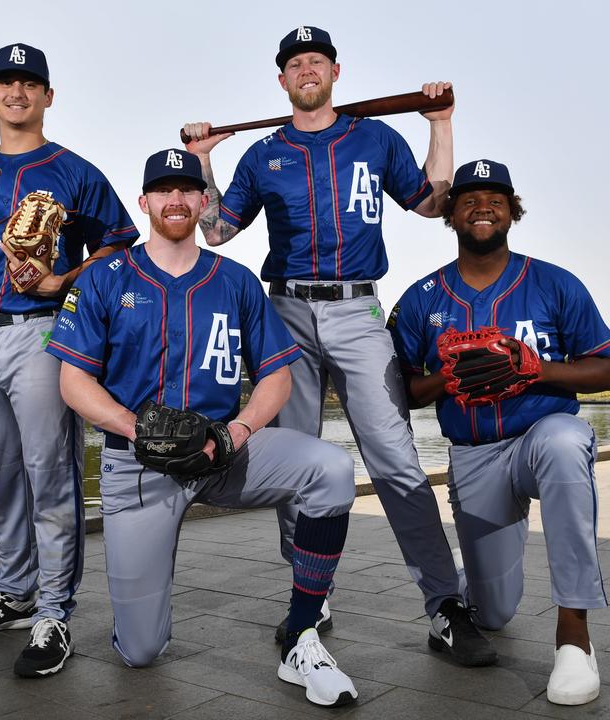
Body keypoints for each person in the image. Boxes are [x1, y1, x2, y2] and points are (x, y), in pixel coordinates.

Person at [181, 25, 494, 665]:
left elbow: (432, 204)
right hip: (285, 311)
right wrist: (204, 160)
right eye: (295, 64)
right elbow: (214, 232)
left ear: (335, 71)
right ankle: (309, 597)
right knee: (295, 463)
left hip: (357, 308)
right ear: (282, 80)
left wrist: (440, 123)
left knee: (396, 461)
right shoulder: (263, 154)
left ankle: (444, 605)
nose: (306, 70)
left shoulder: (375, 137)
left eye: (315, 60)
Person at [49, 148, 359, 707]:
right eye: (163, 190)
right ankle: (139, 615)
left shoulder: (236, 280)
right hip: (137, 462)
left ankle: (302, 630)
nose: (175, 199)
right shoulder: (103, 278)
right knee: (141, 651)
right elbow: (74, 384)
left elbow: (276, 380)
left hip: (223, 453)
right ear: (144, 202)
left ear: (202, 200)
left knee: (331, 467)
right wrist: (137, 425)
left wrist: (234, 433)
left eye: (186, 189)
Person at [0, 43, 138, 679]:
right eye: (6, 82)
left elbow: (122, 248)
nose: (17, 92)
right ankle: (14, 594)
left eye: (29, 83)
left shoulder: (75, 171)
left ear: (48, 95)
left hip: (46, 332)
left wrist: (63, 278)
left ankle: (53, 613)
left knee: (51, 473)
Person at [388, 158, 610, 705]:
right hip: (475, 455)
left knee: (566, 444)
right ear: (450, 213)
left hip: (540, 435)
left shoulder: (553, 281)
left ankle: (575, 637)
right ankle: (469, 597)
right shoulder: (422, 298)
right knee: (493, 613)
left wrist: (535, 369)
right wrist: (444, 380)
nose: (483, 206)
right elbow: (401, 388)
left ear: (512, 211)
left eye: (495, 197)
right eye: (469, 198)